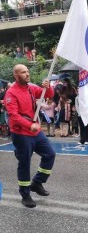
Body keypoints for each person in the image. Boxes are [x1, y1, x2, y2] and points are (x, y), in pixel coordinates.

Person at [4, 64, 55, 208]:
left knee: (50, 154)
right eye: (23, 72)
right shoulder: (11, 93)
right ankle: (25, 194)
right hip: (21, 133)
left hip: (35, 132)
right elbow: (13, 116)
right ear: (16, 75)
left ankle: (37, 183)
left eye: (27, 71)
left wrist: (48, 86)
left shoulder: (31, 88)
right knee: (25, 162)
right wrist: (29, 125)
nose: (27, 74)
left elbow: (48, 95)